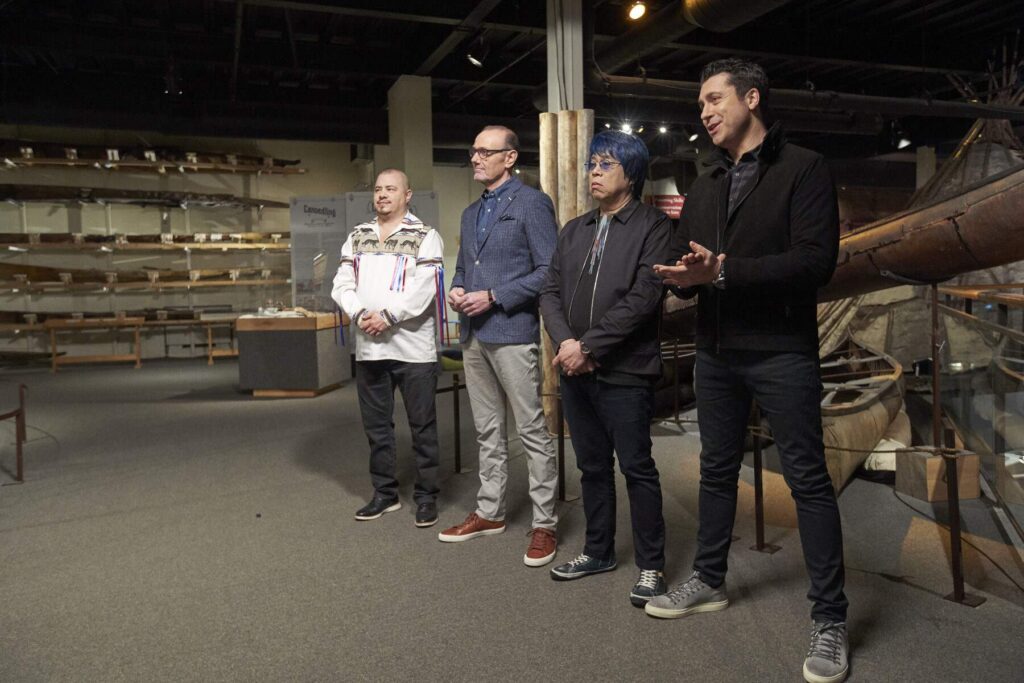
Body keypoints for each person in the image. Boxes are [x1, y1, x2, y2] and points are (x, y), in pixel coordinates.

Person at [650, 59, 849, 683]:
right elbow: (696, 262)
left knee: (808, 481)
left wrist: (724, 271)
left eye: (714, 99)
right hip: (715, 349)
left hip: (781, 349)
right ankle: (710, 580)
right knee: (715, 469)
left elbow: (816, 263)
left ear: (752, 98)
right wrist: (684, 279)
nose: (704, 112)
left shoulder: (805, 167)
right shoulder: (707, 180)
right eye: (700, 103)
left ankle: (831, 619)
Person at [538, 130, 670, 607]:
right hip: (576, 368)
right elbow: (550, 291)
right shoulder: (575, 229)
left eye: (605, 164)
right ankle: (598, 551)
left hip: (626, 369)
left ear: (630, 174)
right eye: (592, 163)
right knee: (591, 466)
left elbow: (644, 297)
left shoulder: (653, 227)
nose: (594, 172)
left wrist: (589, 345)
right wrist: (568, 343)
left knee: (638, 468)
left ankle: (652, 566)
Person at [438, 125, 560, 568]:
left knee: (531, 430)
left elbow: (549, 270)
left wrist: (494, 295)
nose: (475, 158)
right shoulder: (471, 213)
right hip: (472, 335)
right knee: (487, 430)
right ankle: (490, 512)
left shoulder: (532, 204)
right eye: (473, 151)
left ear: (509, 158)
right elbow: (462, 271)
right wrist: (457, 290)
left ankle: (545, 523)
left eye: (485, 152)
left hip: (511, 331)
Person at [332, 169, 445, 529]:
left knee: (422, 425)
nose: (382, 195)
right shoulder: (357, 236)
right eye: (379, 189)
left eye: (391, 189)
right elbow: (341, 284)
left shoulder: (426, 236)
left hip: (414, 350)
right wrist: (362, 313)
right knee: (377, 427)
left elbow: (427, 288)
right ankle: (384, 493)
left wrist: (389, 316)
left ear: (407, 194)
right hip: (370, 350)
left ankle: (427, 496)